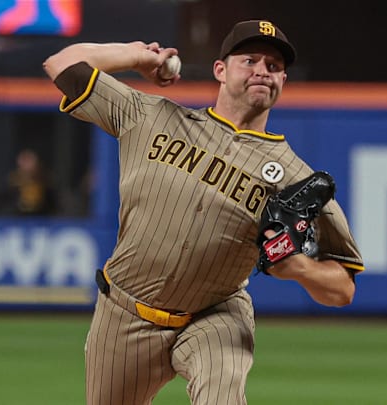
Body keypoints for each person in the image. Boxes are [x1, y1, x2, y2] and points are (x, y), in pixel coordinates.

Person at [43, 19, 364, 405]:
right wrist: (135, 56)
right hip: (124, 312)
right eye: (250, 60)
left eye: (274, 66)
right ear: (220, 70)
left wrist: (299, 268)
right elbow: (61, 64)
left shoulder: (297, 178)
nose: (263, 70)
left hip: (215, 316)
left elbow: (343, 287)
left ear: (283, 82)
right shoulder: (151, 117)